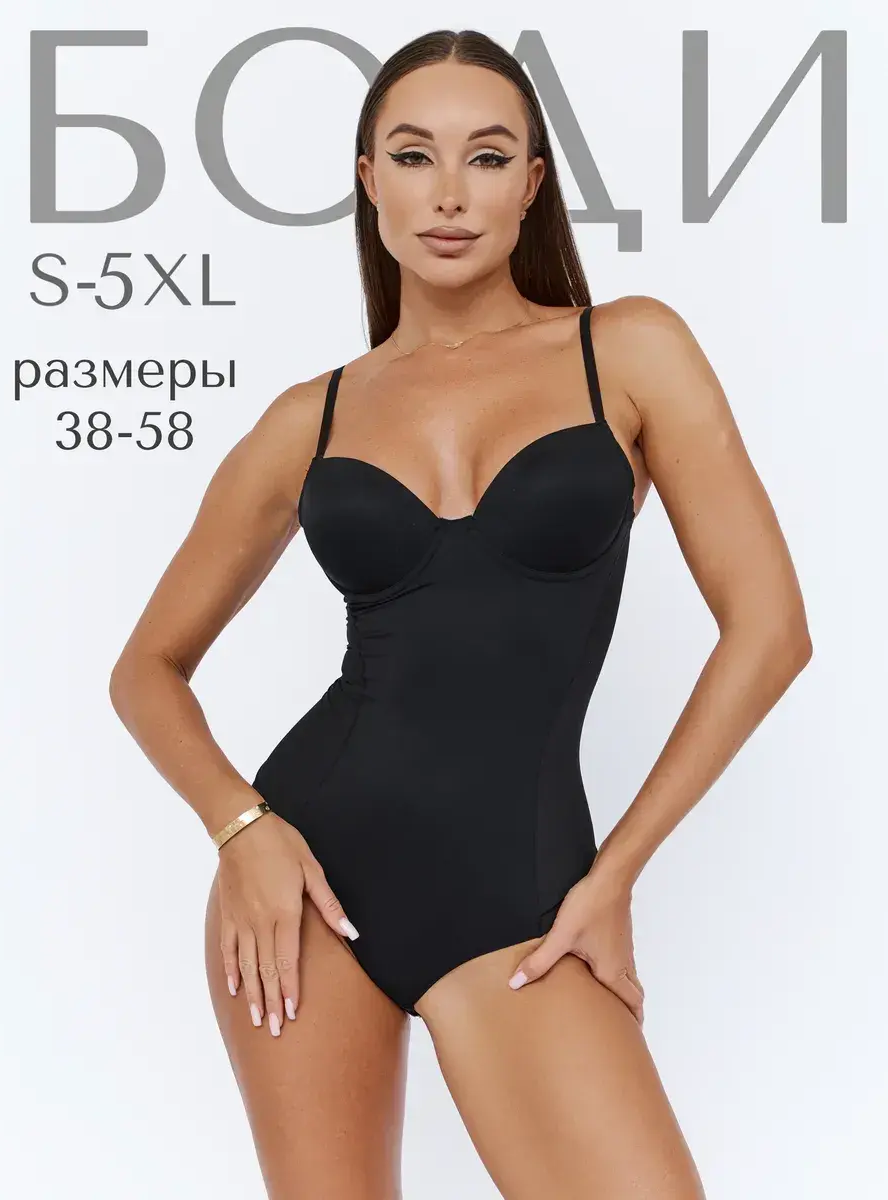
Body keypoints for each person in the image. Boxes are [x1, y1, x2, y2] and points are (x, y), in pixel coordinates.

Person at [109, 27, 812, 1200]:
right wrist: (243, 829)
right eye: (412, 155)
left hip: (522, 890)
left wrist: (614, 876)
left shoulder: (627, 351)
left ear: (531, 185)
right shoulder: (309, 417)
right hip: (308, 884)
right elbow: (146, 667)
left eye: (485, 158)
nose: (448, 193)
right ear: (367, 179)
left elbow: (771, 631)